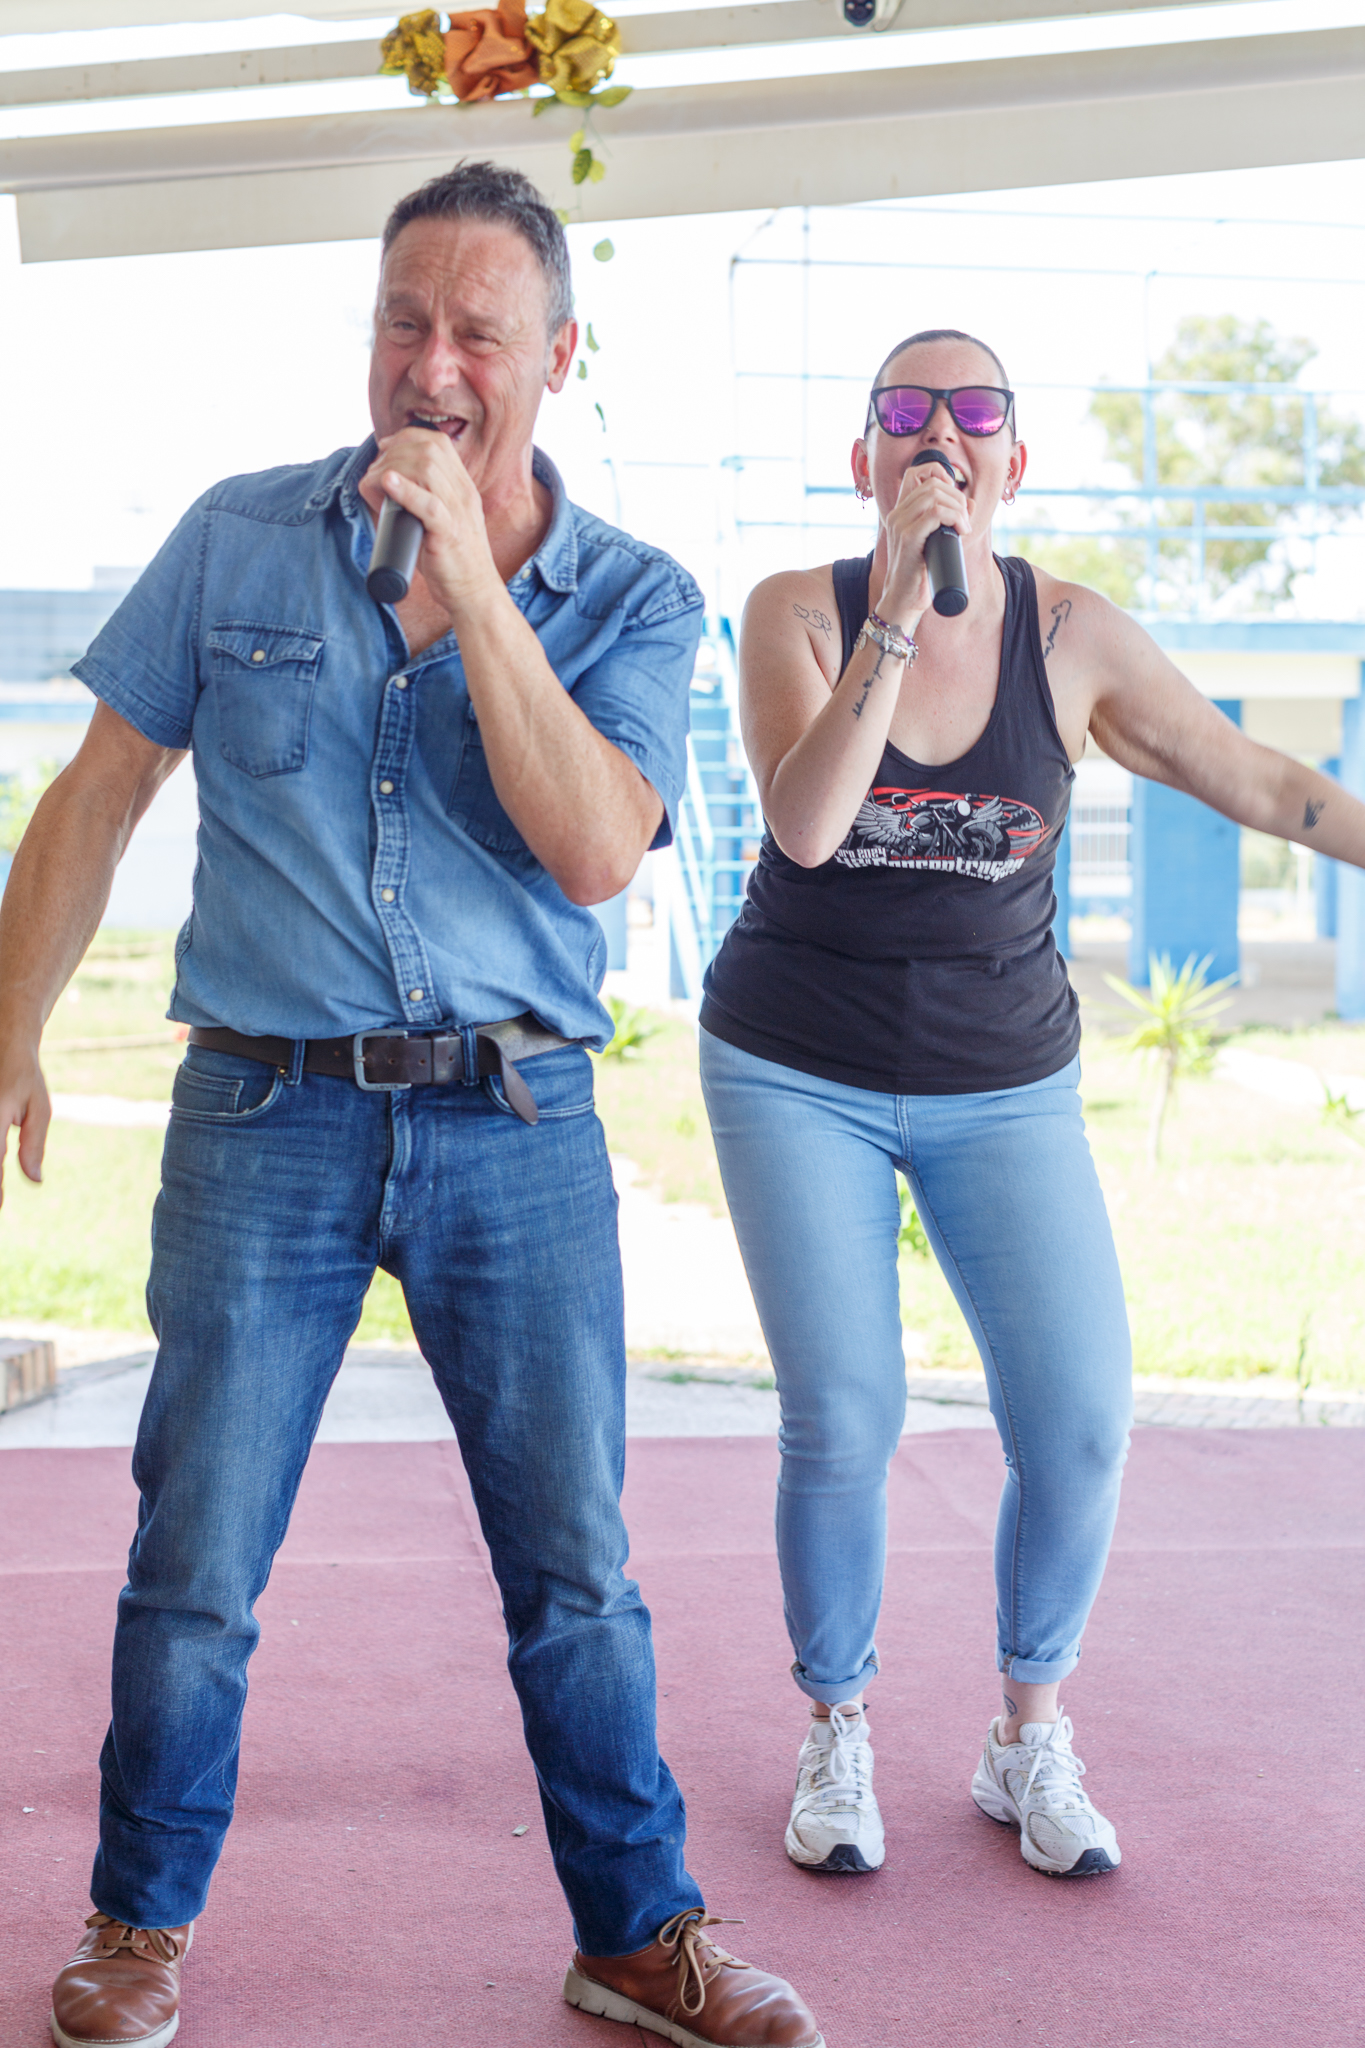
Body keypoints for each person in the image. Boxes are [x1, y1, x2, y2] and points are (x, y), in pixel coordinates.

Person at [0, 161, 821, 2048]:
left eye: (476, 333)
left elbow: (597, 848)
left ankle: (637, 1937)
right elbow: (99, 792)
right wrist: (10, 1025)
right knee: (194, 1560)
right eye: (401, 321)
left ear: (558, 355)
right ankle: (136, 1925)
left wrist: (470, 587)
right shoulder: (236, 537)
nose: (430, 366)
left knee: (574, 1572)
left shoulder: (636, 593)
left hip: (514, 1127)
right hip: (261, 1117)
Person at [698, 326, 1365, 1884]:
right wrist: (891, 613)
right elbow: (805, 828)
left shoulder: (1071, 635)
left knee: (1074, 1421)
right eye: (906, 411)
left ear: (1015, 460)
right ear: (863, 458)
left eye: (973, 411)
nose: (941, 433)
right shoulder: (792, 611)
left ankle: (1025, 1734)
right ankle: (836, 1724)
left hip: (1003, 1082)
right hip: (795, 1067)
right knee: (844, 1413)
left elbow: (1253, 779)